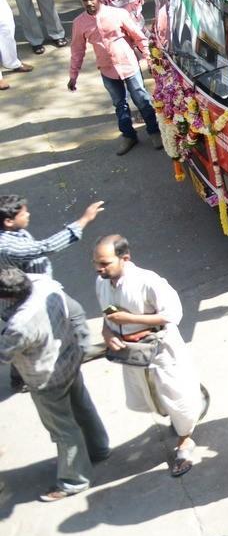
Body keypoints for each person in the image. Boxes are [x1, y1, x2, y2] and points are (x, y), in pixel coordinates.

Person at [92, 235, 207, 477]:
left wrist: (131, 320)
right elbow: (108, 317)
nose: (99, 269)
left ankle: (185, 443)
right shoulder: (102, 283)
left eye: (105, 263)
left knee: (178, 399)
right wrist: (107, 333)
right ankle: (188, 411)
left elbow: (172, 315)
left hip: (161, 351)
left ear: (125, 258)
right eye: (97, 263)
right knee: (153, 396)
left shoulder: (148, 282)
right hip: (132, 355)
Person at [0, 268, 109, 502]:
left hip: (46, 379)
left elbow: (3, 354)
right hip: (70, 358)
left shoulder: (20, 325)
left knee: (63, 429)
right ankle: (98, 449)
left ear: (7, 298)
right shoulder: (44, 284)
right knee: (83, 407)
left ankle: (75, 480)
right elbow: (76, 311)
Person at [68, 0, 158, 155]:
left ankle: (154, 131)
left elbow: (138, 38)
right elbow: (77, 50)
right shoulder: (79, 23)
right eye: (85, 1)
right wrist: (73, 75)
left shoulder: (118, 14)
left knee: (142, 100)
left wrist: (150, 59)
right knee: (119, 104)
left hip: (128, 65)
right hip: (107, 69)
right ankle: (128, 135)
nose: (89, 3)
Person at [0, 194, 103, 277]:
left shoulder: (14, 231)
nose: (28, 214)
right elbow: (46, 247)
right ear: (8, 221)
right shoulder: (8, 247)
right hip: (35, 296)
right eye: (23, 214)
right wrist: (84, 220)